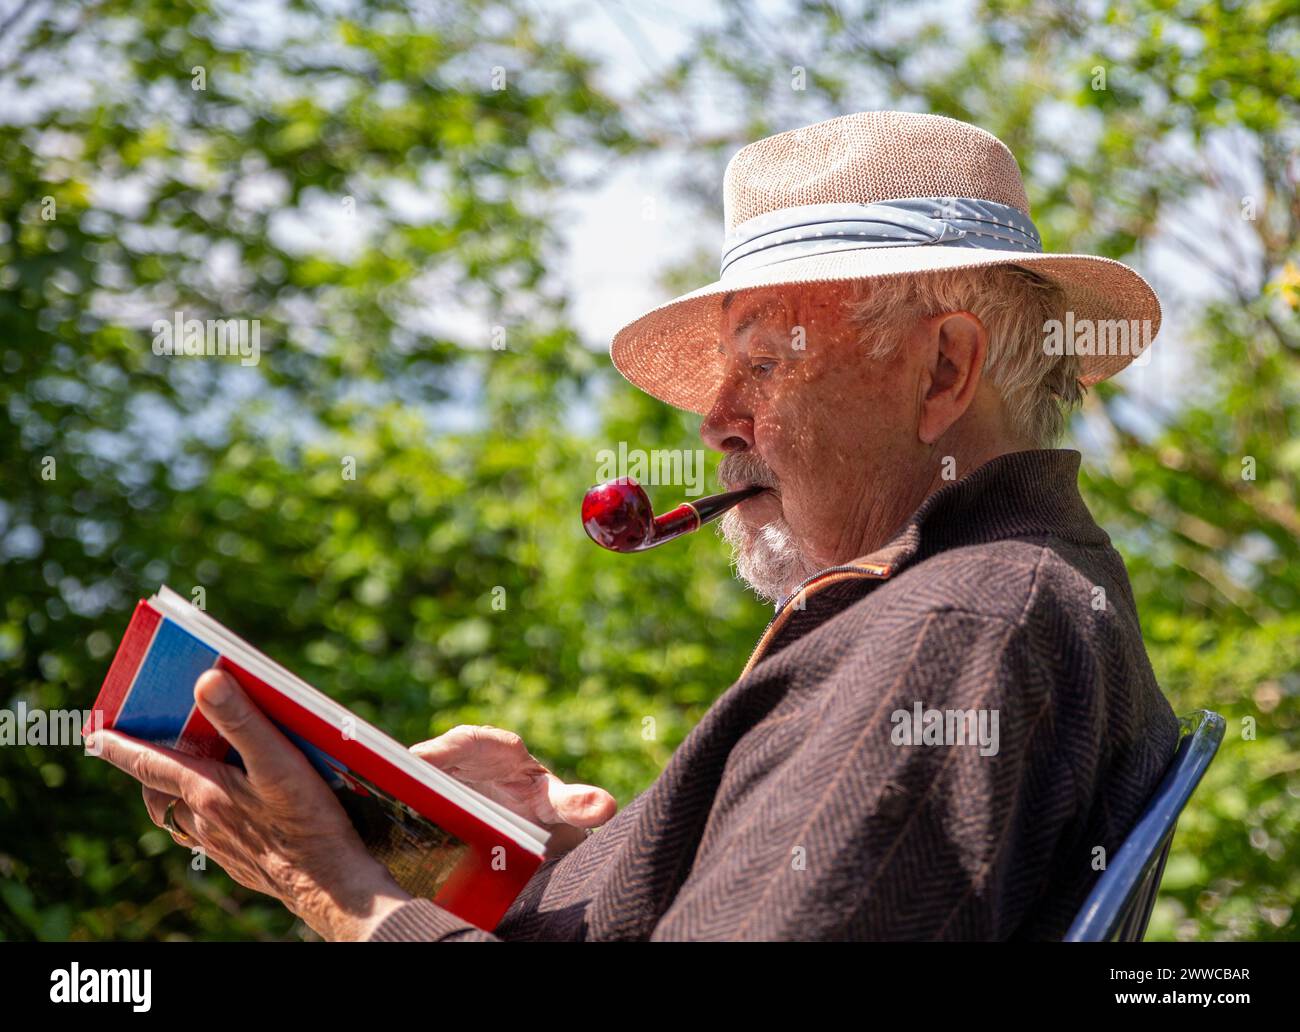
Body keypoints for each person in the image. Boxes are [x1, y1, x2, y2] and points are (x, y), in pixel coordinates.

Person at [91, 110, 1180, 941]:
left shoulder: (951, 630)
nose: (713, 421)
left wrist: (345, 895)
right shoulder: (987, 594)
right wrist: (569, 848)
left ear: (942, 368)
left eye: (760, 362)